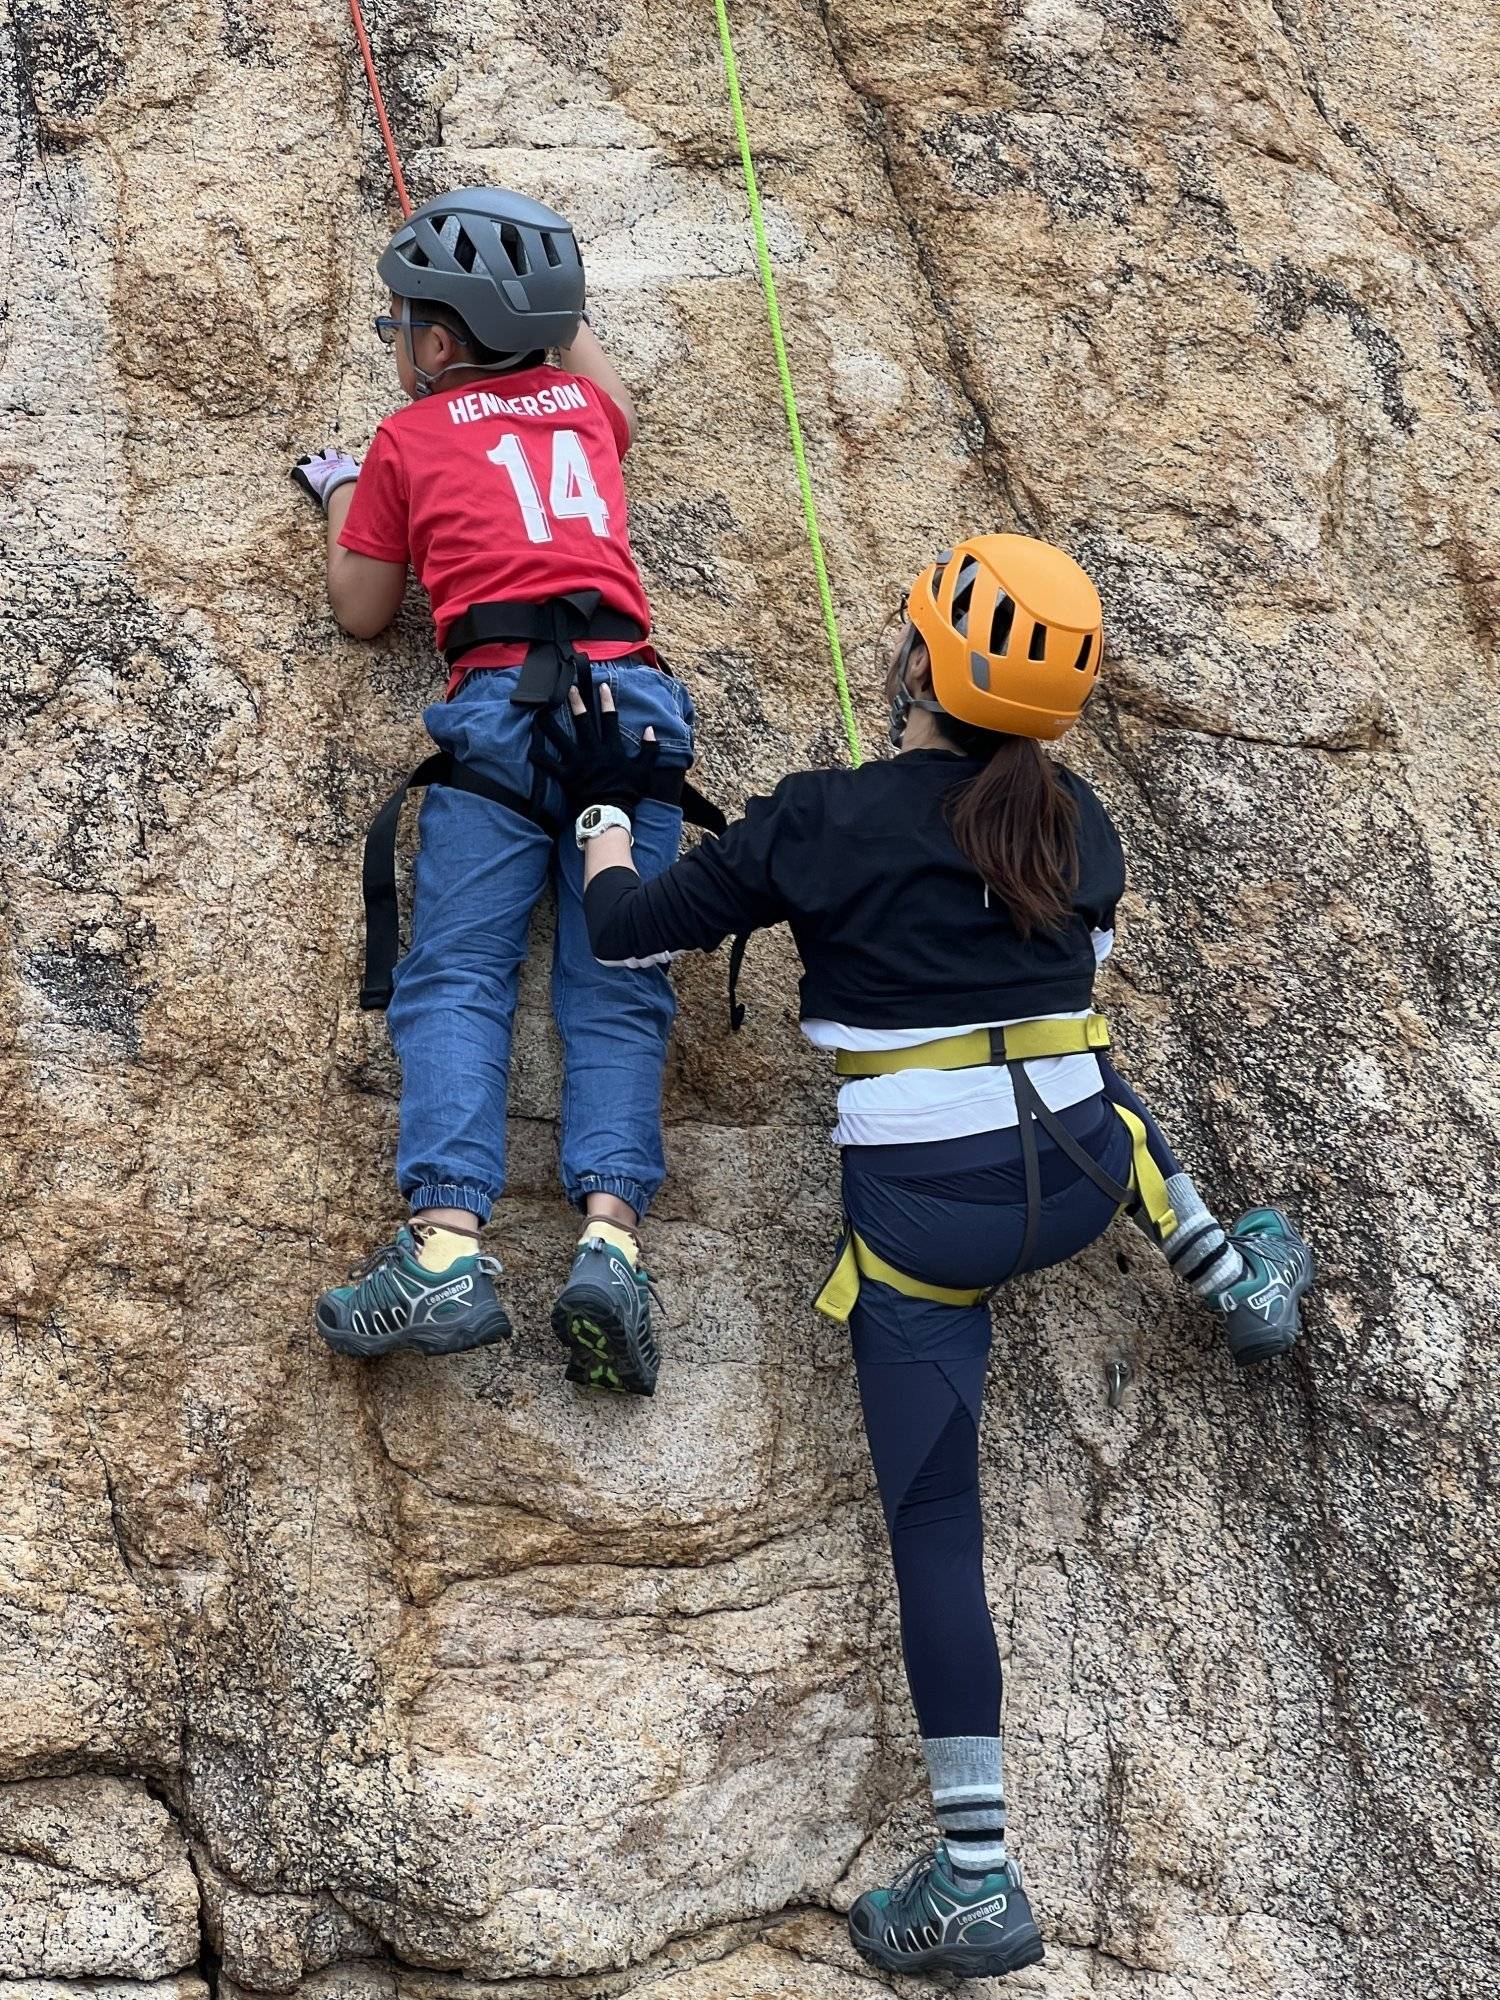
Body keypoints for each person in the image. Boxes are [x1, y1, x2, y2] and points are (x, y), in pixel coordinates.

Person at [544, 532, 1316, 1978]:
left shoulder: (821, 821)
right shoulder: (1082, 824)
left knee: (936, 1528)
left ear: (917, 661)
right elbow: (1058, 979)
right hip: (1084, 1184)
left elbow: (630, 932)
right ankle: (1228, 1271)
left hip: (925, 1228)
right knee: (1076, 1058)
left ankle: (979, 1875)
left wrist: (603, 811)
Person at [291, 186, 698, 1395]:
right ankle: (612, 1244)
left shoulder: (406, 444)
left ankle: (447, 1249)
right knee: (618, 984)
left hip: (501, 716)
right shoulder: (587, 409)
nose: (400, 338)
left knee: (462, 973)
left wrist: (343, 497)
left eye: (408, 321)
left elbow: (363, 613)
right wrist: (552, 313)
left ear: (435, 340)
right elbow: (610, 392)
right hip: (634, 711)